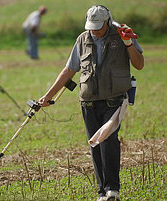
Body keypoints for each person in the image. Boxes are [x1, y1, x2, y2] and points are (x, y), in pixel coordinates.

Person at [39, 5, 144, 201]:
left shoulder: (122, 34)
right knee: (95, 144)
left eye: (98, 26)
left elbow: (139, 64)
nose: (94, 31)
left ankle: (113, 189)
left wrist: (128, 43)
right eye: (91, 26)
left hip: (114, 100)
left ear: (107, 21)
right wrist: (48, 95)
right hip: (88, 102)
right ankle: (102, 192)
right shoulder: (82, 39)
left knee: (109, 142)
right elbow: (69, 70)